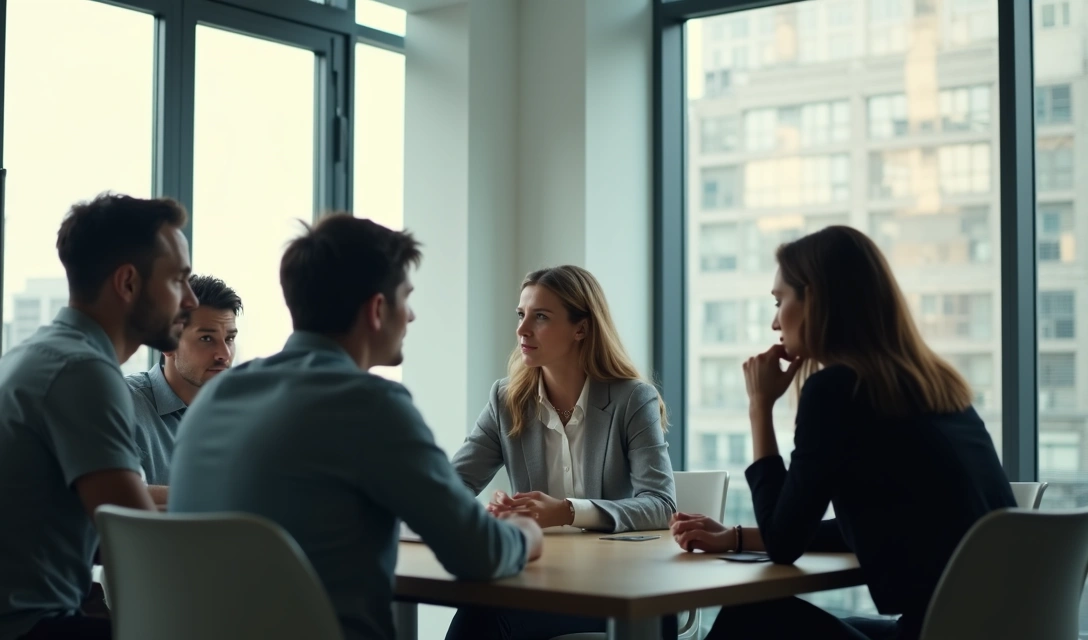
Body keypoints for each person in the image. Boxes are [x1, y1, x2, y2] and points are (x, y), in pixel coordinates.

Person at [167, 214, 543, 640]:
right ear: (378, 309)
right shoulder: (371, 404)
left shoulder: (216, 396)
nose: (413, 315)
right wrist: (524, 531)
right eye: (406, 297)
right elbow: (479, 554)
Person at [671, 226, 1015, 640]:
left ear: (813, 298)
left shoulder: (837, 391)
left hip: (933, 632)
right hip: (983, 628)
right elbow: (869, 527)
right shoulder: (936, 385)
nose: (774, 322)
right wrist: (738, 537)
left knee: (749, 615)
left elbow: (785, 544)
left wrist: (759, 407)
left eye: (780, 301)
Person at [0, 193, 198, 640]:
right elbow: (138, 542)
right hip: (25, 630)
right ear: (128, 283)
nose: (190, 299)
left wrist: (210, 499)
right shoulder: (83, 371)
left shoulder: (43, 354)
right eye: (178, 281)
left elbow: (121, 498)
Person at [446, 265, 678, 640]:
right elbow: (450, 486)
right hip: (543, 586)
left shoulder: (632, 399)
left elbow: (662, 504)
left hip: (623, 592)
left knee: (486, 617)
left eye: (540, 317)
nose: (522, 330)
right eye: (521, 315)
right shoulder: (506, 401)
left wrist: (566, 511)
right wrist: (499, 513)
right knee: (480, 610)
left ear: (581, 328)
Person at [125, 274, 242, 507]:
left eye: (229, 339)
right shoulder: (124, 403)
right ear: (167, 344)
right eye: (207, 338)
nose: (224, 355)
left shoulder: (240, 413)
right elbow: (115, 492)